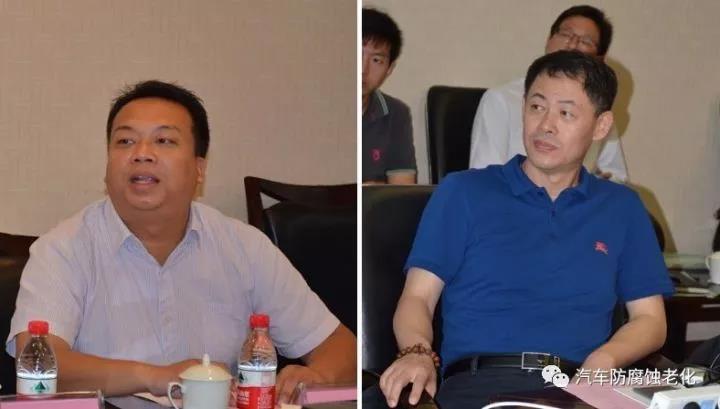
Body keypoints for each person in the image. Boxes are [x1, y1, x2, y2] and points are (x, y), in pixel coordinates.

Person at [5, 80, 356, 401]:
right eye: (125, 141)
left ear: (199, 169)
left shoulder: (245, 247)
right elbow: (37, 365)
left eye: (164, 141)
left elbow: (340, 347)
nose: (141, 153)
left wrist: (317, 377)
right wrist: (155, 377)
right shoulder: (63, 249)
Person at [377, 51, 673, 408]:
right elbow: (417, 298)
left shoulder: (621, 207)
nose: (545, 125)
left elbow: (650, 320)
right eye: (536, 107)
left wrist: (604, 360)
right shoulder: (464, 192)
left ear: (601, 126)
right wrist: (417, 352)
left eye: (566, 113)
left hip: (578, 389)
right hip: (480, 386)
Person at [469, 5, 628, 182]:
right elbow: (484, 177)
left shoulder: (597, 110)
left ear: (600, 59)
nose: (572, 45)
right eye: (566, 34)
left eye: (585, 41)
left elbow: (615, 178)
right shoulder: (501, 100)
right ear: (548, 40)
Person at [362, 7, 417, 185]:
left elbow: (402, 190)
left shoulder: (397, 113)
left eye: (376, 60)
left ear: (389, 69)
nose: (363, 69)